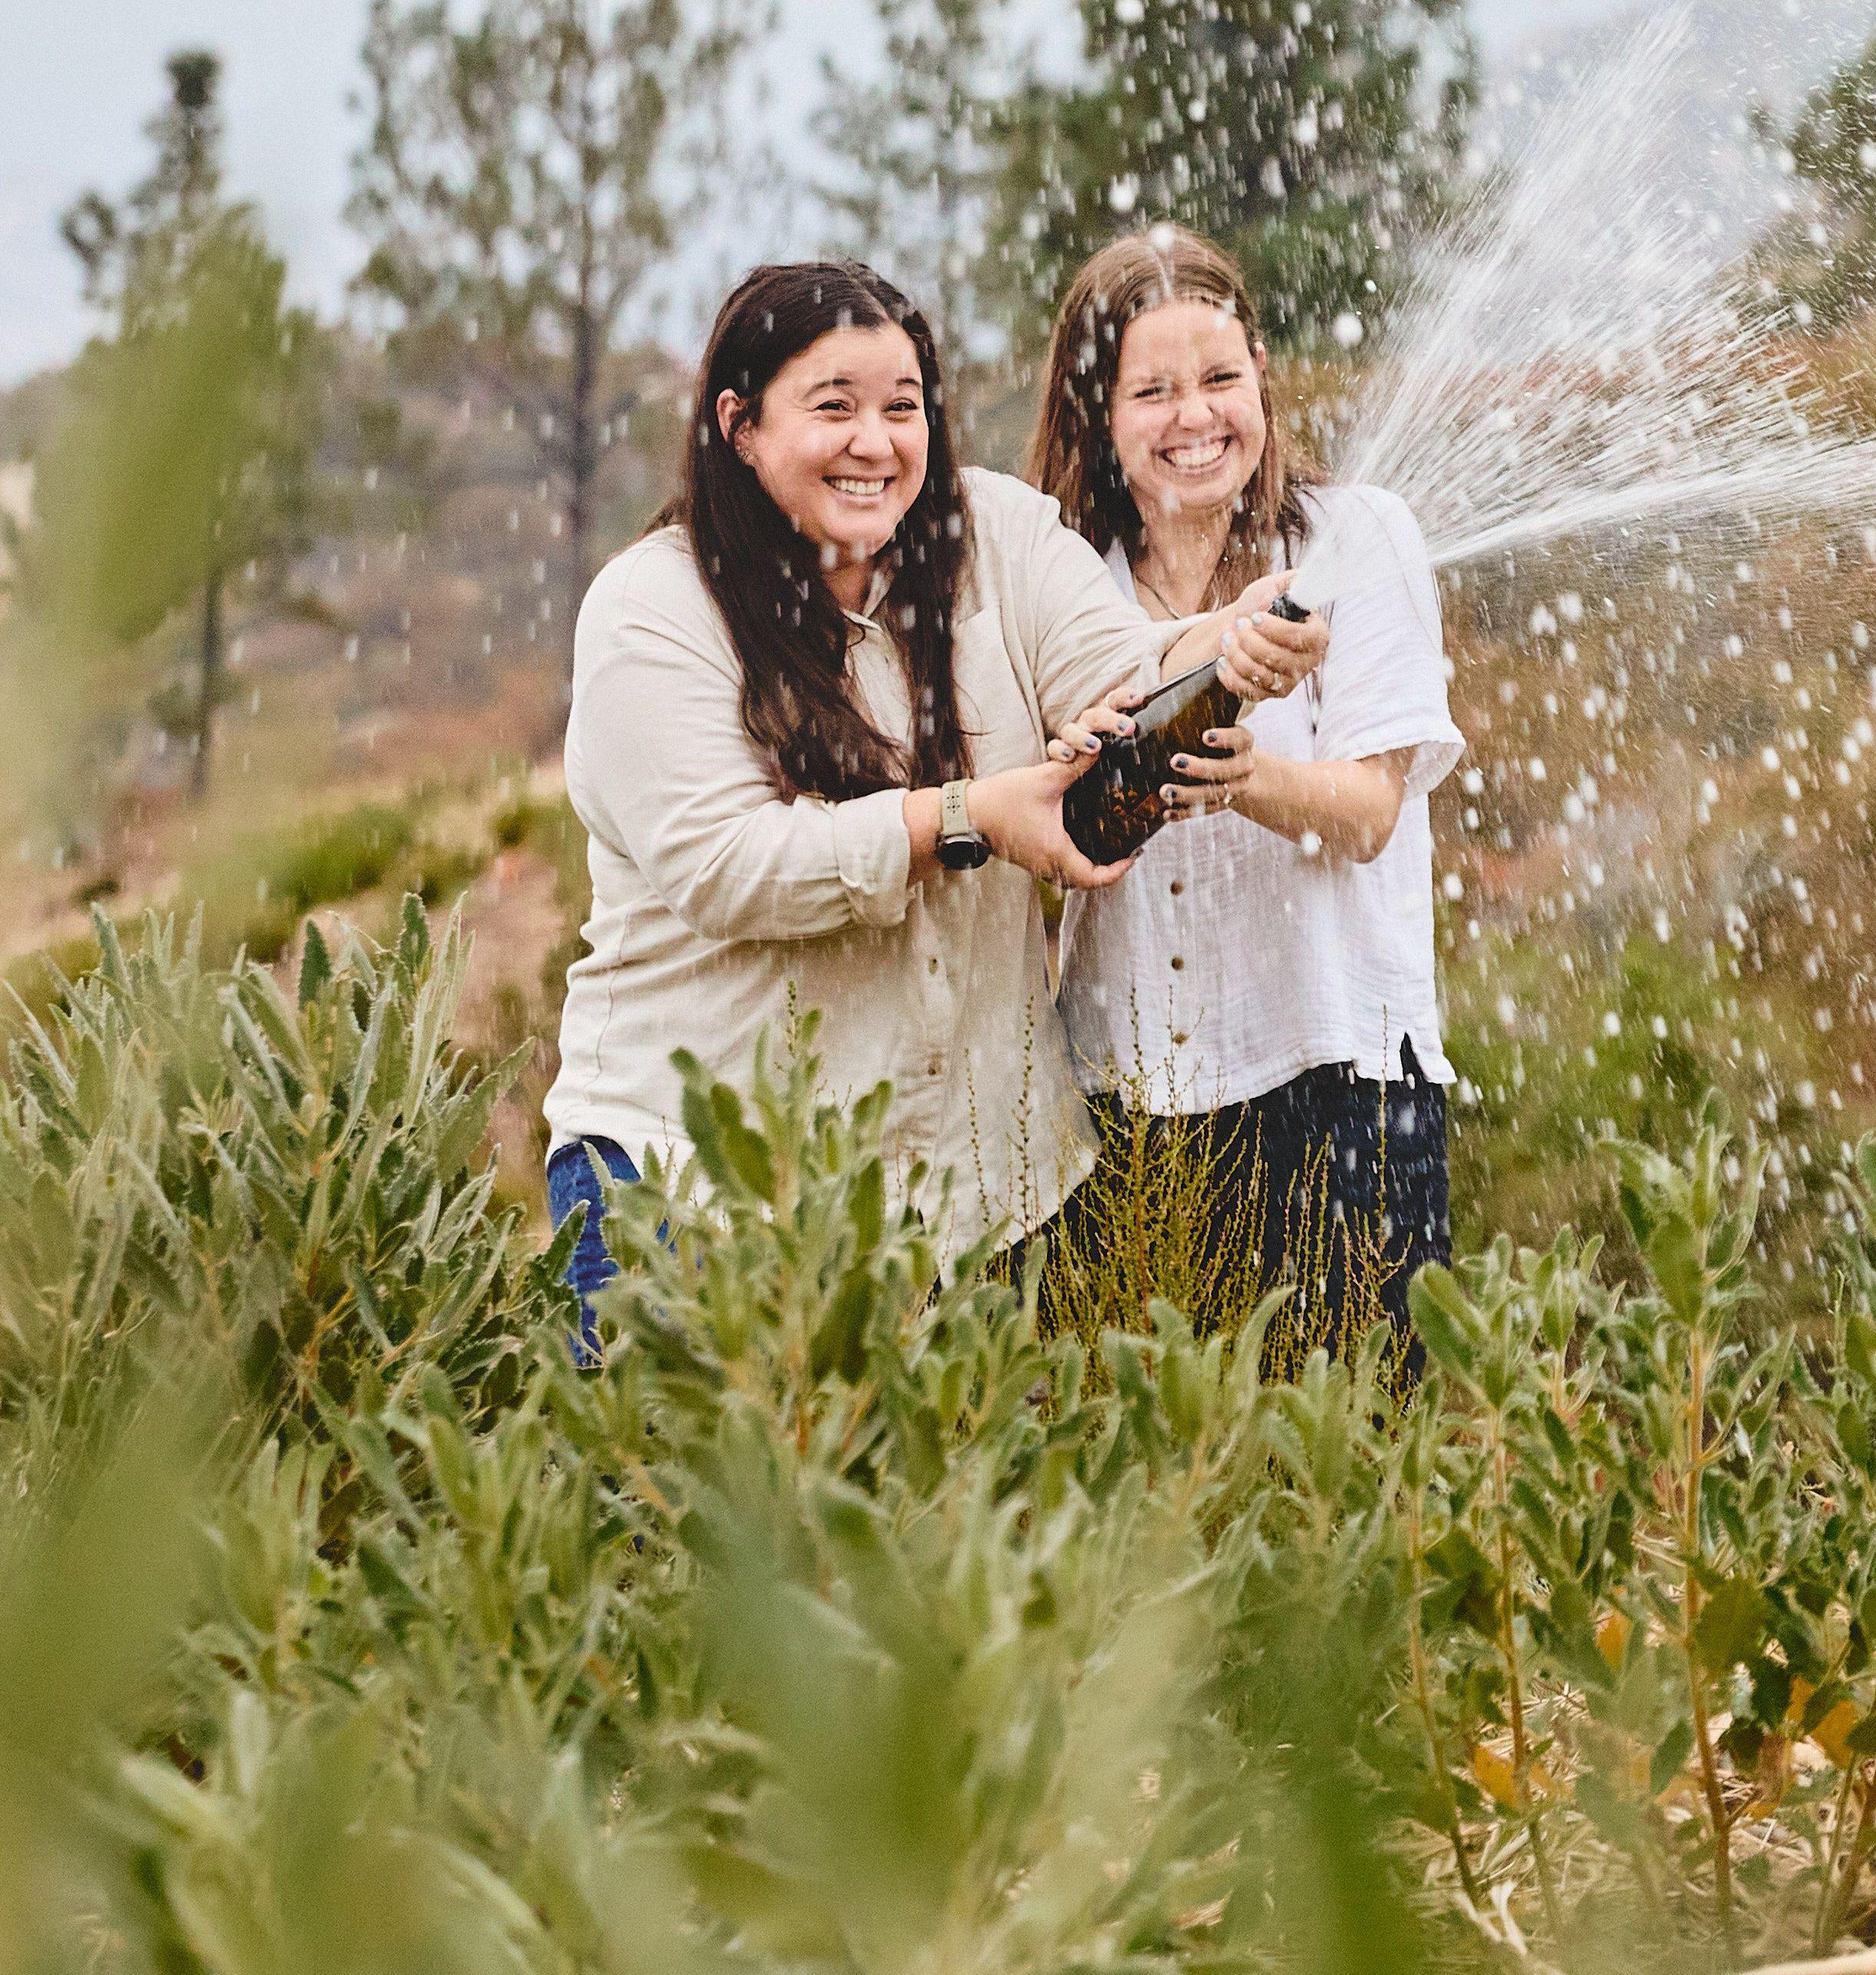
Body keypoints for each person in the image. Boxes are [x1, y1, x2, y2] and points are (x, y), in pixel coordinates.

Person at [538, 259, 1323, 1331]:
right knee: (699, 1452)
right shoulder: (654, 608)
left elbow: (1121, 672)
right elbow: (727, 869)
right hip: (697, 1196)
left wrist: (1231, 643)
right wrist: (967, 817)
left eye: (903, 407)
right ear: (739, 424)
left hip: (975, 1203)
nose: (876, 442)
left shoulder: (994, 534)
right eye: (834, 407)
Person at [1029, 225, 1463, 1351]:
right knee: (1154, 1441)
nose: (1196, 417)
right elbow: (1037, 825)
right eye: (1153, 392)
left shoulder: (1354, 539)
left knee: (1357, 1430)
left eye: (1221, 378)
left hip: (1344, 1083)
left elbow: (1371, 814)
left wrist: (1249, 777)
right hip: (1127, 1102)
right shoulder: (1063, 582)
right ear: (1098, 414)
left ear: (1261, 377)